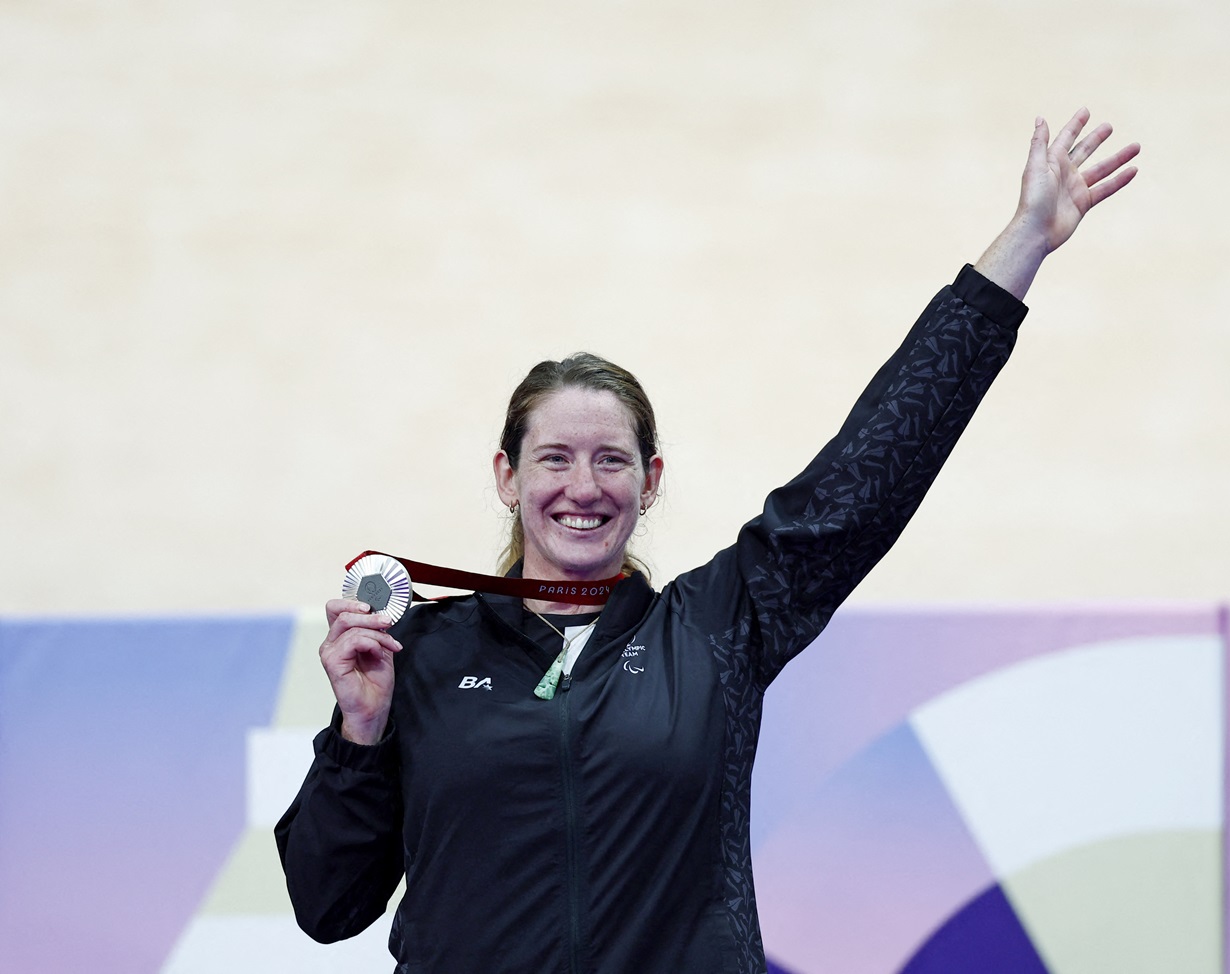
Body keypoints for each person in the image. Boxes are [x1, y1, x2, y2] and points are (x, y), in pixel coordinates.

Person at [276, 108, 1140, 973]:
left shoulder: (713, 631)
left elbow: (871, 471)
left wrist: (1023, 246)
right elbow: (327, 907)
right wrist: (358, 736)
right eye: (555, 460)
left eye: (612, 460)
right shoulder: (418, 655)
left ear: (649, 483)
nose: (584, 487)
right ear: (508, 477)